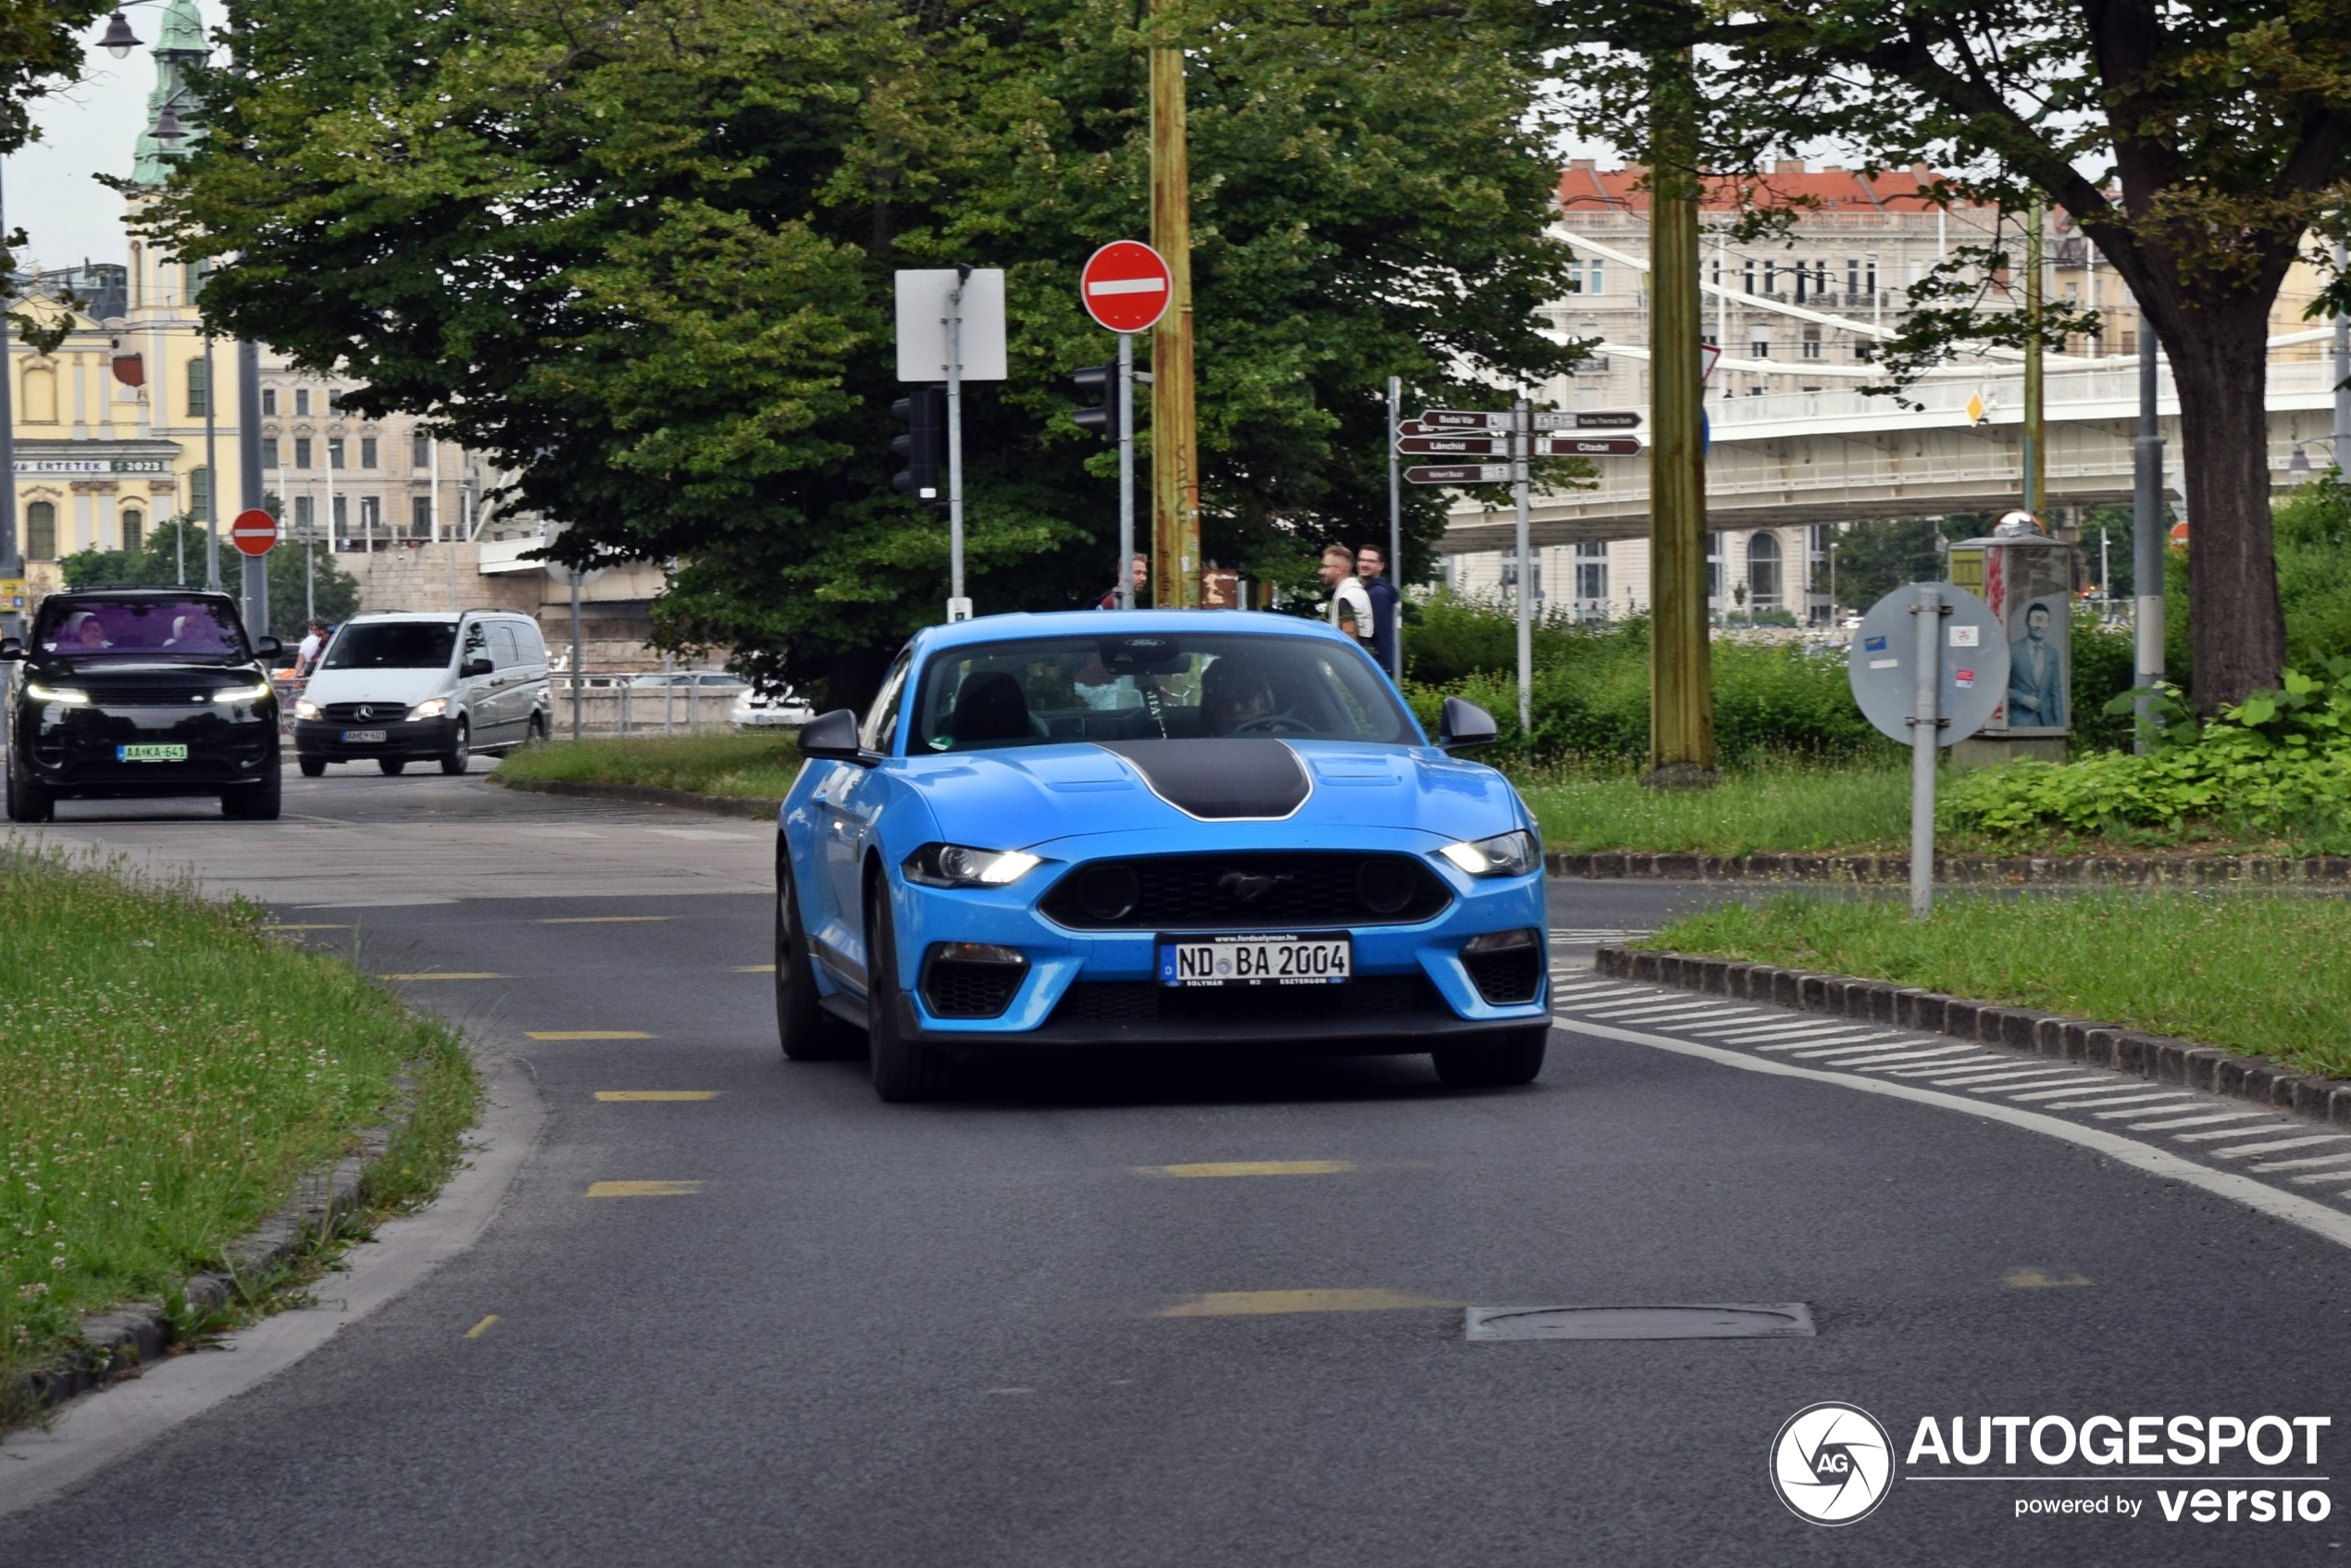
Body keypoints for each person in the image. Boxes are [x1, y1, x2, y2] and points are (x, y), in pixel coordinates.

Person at [2006, 601, 2066, 728]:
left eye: (2042, 621)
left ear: (2048, 624)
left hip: (2046, 723)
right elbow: (1999, 687)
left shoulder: (2052, 653)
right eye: (2035, 621)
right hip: (2019, 722)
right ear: (2027, 622)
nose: (2039, 626)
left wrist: (2060, 725)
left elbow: (2056, 690)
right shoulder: (2013, 650)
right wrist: (2021, 698)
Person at [1357, 542, 1399, 677]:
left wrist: (1383, 669)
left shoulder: (1377, 594)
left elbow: (1381, 634)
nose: (1364, 564)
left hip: (1376, 668)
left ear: (1380, 566)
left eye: (1371, 561)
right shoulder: (1368, 591)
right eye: (1361, 560)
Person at [1318, 544, 1372, 644]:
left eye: (1325, 566)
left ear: (1340, 570)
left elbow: (1349, 638)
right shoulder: (1357, 592)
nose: (1321, 571)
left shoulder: (1346, 597)